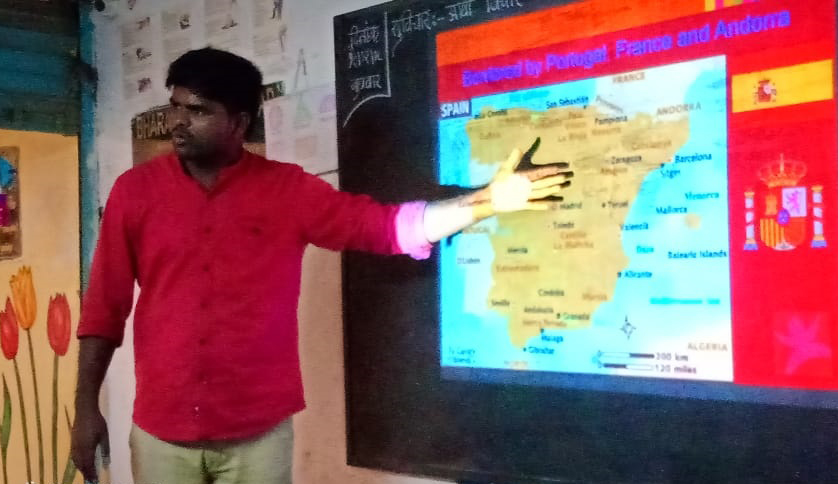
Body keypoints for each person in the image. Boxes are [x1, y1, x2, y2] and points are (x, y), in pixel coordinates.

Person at [70, 47, 571, 484]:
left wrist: (487, 202)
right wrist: (86, 407)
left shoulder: (287, 190)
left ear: (238, 123)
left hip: (257, 435)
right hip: (162, 432)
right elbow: (104, 309)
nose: (178, 121)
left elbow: (384, 228)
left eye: (197, 110)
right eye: (175, 105)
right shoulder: (135, 192)